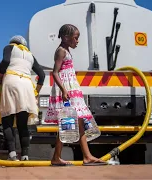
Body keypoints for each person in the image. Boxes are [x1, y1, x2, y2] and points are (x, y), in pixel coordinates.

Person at [44, 24, 107, 166]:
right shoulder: (61, 51)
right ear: (66, 38)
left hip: (71, 88)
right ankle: (85, 156)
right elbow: (55, 72)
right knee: (72, 120)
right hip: (66, 89)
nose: (77, 41)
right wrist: (64, 90)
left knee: (74, 121)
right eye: (76, 38)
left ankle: (65, 157)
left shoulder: (66, 51)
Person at [0, 35, 45, 161]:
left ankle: (12, 154)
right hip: (27, 85)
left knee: (7, 119)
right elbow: (41, 74)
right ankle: (25, 156)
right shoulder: (30, 54)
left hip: (11, 81)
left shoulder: (9, 48)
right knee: (22, 123)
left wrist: (1, 74)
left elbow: (6, 61)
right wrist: (37, 90)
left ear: (12, 42)